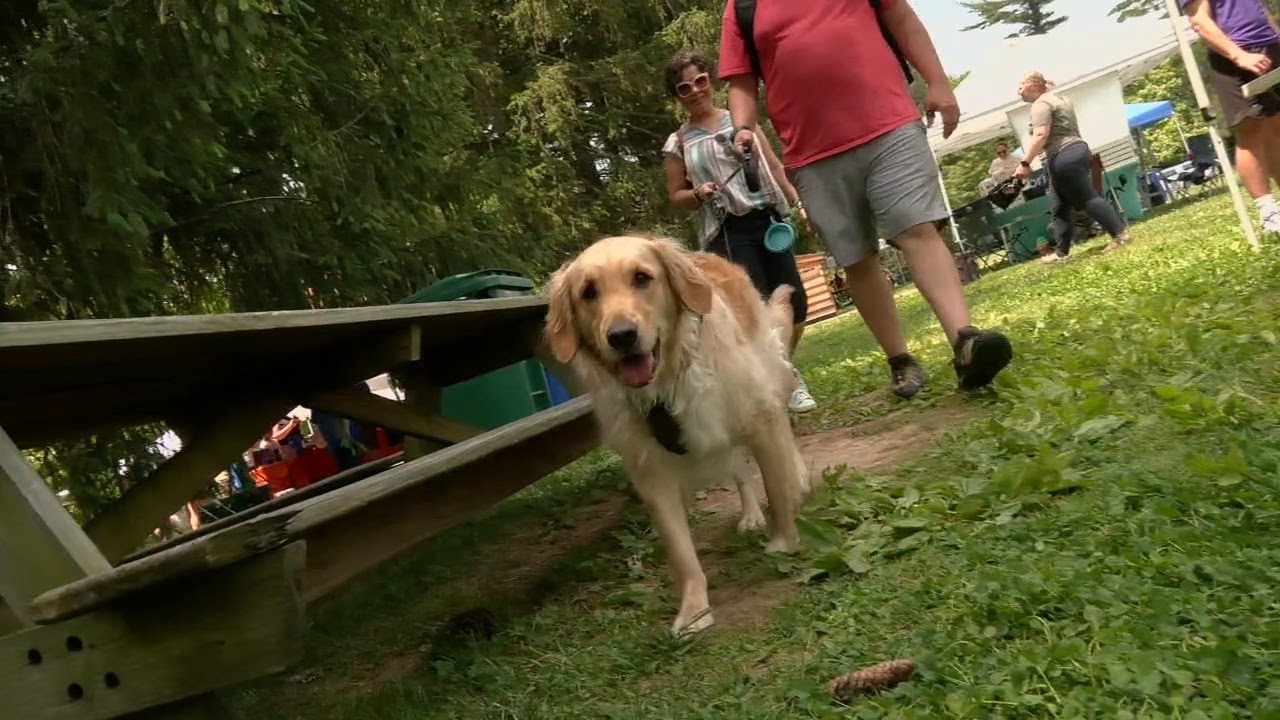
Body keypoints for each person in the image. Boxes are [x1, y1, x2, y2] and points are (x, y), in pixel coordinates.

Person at [718, 0, 1013, 399]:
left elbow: (902, 18)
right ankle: (900, 360)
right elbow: (741, 81)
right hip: (812, 154)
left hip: (889, 124)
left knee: (917, 229)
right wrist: (743, 128)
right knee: (857, 258)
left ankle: (965, 341)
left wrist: (939, 83)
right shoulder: (743, 7)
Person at [662, 51, 817, 413]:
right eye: (684, 87)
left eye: (700, 81)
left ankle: (776, 369)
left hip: (768, 222)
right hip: (727, 232)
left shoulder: (741, 121)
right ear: (677, 95)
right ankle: (787, 381)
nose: (695, 91)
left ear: (711, 80)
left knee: (797, 303)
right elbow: (675, 195)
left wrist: (799, 203)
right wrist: (697, 192)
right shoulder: (678, 142)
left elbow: (775, 167)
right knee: (757, 307)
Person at [1182, 0, 1280, 232]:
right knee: (1250, 133)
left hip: (1269, 44)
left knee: (1276, 128)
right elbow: (1199, 20)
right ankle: (1269, 213)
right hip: (1234, 55)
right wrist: (1239, 56)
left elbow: (1259, 9)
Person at [1014, 72, 1132, 262]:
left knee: (1087, 198)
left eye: (1021, 86)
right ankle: (1061, 253)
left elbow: (1040, 134)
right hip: (1078, 150)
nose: (1018, 92)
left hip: (1064, 155)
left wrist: (1025, 163)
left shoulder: (1041, 104)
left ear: (1032, 86)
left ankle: (1120, 234)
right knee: (1060, 207)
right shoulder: (1059, 99)